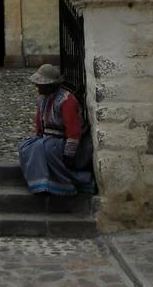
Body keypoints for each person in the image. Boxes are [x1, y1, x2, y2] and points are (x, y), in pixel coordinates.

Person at [17, 63, 96, 196]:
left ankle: (67, 182)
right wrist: (38, 137)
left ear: (50, 85)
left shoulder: (66, 101)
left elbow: (74, 132)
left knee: (43, 148)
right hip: (48, 138)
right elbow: (39, 124)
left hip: (64, 142)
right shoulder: (43, 99)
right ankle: (40, 181)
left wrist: (69, 153)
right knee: (26, 147)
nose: (37, 86)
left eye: (40, 84)